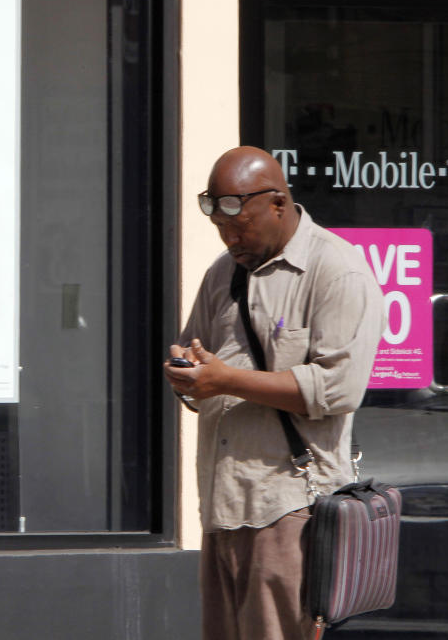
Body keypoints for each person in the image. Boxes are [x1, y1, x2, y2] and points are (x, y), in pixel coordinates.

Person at [164, 146, 384, 640]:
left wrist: (224, 380)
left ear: (279, 204)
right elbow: (199, 359)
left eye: (241, 226)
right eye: (221, 227)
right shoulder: (224, 272)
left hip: (290, 511)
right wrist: (188, 376)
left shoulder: (336, 269)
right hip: (224, 506)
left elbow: (338, 387)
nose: (230, 238)